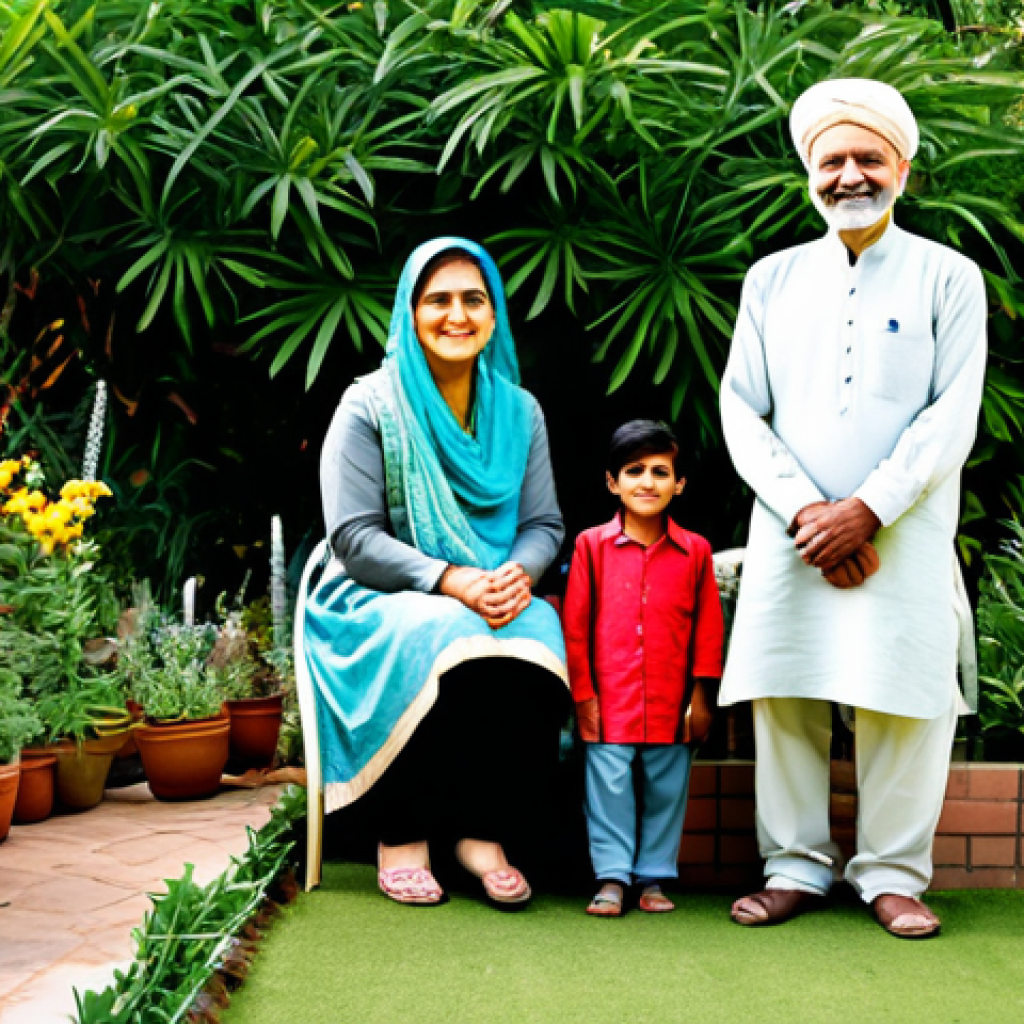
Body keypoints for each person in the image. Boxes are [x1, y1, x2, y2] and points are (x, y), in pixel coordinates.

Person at [719, 78, 987, 938]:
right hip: (791, 532)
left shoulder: (950, 277)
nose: (849, 175)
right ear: (810, 172)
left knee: (904, 698)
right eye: (831, 159)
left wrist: (867, 511)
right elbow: (740, 408)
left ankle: (894, 875)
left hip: (903, 532)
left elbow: (951, 415)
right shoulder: (771, 279)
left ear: (902, 169)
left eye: (869, 158)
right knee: (786, 694)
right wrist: (811, 514)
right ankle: (793, 866)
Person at [305, 237, 570, 908]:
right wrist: (452, 580)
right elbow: (354, 537)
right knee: (445, 631)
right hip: (377, 591)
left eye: (473, 300)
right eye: (438, 300)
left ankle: (480, 834)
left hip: (491, 587)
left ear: (494, 314)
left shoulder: (520, 411)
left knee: (540, 631)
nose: (457, 315)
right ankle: (402, 833)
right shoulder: (370, 405)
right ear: (410, 312)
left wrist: (517, 574)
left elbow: (543, 524)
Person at [562, 420, 724, 917]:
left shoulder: (695, 551)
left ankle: (653, 878)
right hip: (608, 699)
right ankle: (611, 878)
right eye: (634, 471)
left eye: (660, 471)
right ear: (612, 482)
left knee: (667, 789)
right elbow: (575, 627)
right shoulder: (591, 546)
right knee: (607, 788)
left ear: (680, 483)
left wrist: (702, 697)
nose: (647, 482)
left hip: (672, 701)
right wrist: (583, 695)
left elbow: (708, 630)